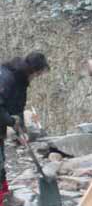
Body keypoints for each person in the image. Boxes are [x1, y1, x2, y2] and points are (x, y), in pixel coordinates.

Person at [0, 52, 49, 203]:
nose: (38, 76)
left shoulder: (21, 81)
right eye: (38, 73)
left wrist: (21, 130)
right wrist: (10, 121)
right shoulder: (6, 77)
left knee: (1, 162)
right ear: (33, 69)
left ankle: (4, 196)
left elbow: (17, 107)